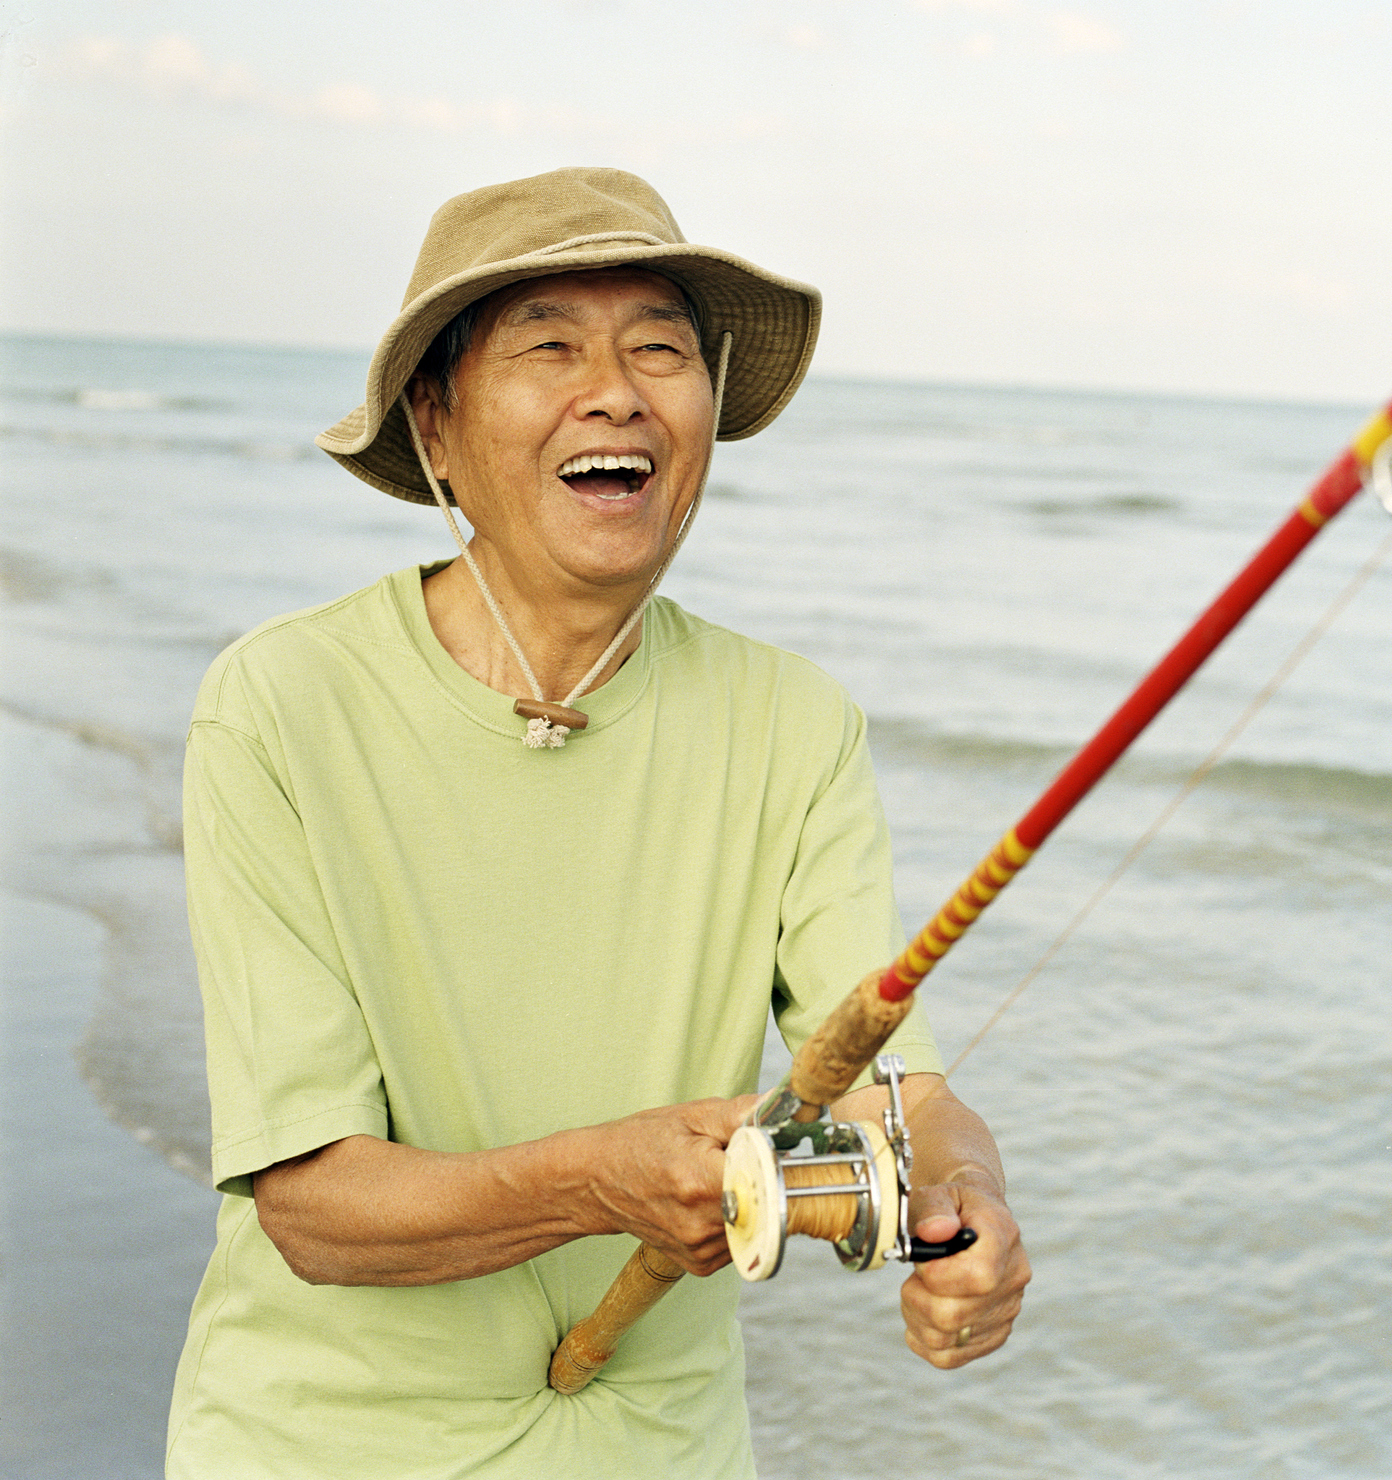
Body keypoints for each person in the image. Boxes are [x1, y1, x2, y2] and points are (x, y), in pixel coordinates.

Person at [167, 167, 1029, 1478]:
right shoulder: (279, 704)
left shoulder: (795, 720)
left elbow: (890, 1086)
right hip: (321, 1444)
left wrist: (967, 1203)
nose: (616, 388)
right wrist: (587, 1181)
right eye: (549, 344)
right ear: (437, 426)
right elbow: (317, 1213)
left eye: (661, 348)